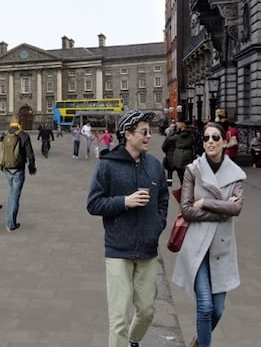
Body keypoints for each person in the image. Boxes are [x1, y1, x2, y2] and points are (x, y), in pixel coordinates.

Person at [86, 110, 168, 347]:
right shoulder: (107, 165)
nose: (149, 136)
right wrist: (124, 201)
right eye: (144, 131)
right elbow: (93, 203)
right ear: (128, 134)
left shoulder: (154, 165)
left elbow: (162, 198)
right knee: (118, 318)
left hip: (147, 249)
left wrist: (158, 223)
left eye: (149, 131)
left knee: (147, 310)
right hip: (117, 250)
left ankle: (134, 339)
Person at [171, 122, 245, 347]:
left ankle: (198, 342)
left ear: (224, 142)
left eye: (215, 137)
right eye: (206, 138)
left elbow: (238, 208)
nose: (210, 142)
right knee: (204, 305)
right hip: (197, 246)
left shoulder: (236, 174)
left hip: (222, 248)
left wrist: (205, 202)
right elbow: (186, 210)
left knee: (218, 309)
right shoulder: (193, 171)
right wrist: (221, 209)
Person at [0, 116, 36, 231]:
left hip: (6, 168)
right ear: (20, 123)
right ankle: (11, 224)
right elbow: (30, 153)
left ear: (11, 122)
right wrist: (32, 166)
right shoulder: (24, 135)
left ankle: (11, 220)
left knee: (12, 192)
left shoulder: (4, 134)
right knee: (14, 196)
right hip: (18, 169)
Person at [162, 121, 196, 187]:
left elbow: (168, 139)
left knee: (180, 173)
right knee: (186, 173)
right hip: (188, 155)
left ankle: (182, 187)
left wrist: (171, 131)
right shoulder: (190, 135)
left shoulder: (177, 136)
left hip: (179, 156)